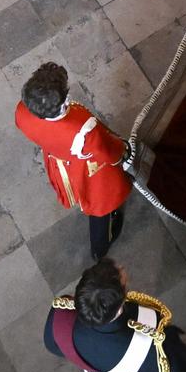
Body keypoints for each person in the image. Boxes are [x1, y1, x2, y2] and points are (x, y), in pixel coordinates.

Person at [44, 258, 186, 372]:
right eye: (122, 279)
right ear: (121, 300)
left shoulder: (60, 317)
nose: (122, 268)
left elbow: (53, 345)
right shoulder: (155, 345)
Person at [15, 62, 132, 260]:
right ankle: (100, 248)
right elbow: (109, 152)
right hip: (89, 171)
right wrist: (125, 150)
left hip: (58, 161)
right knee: (100, 207)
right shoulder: (83, 129)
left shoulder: (21, 112)